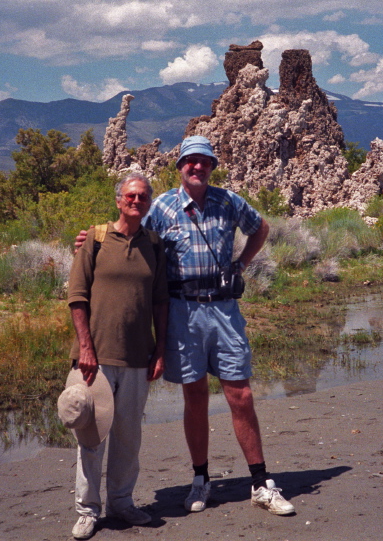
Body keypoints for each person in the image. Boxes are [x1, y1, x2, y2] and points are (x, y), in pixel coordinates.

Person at [79, 136, 294, 516]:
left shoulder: (228, 201)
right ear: (179, 167)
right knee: (194, 397)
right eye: (190, 162)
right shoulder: (161, 206)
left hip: (225, 311)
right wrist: (91, 239)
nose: (197, 167)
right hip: (183, 312)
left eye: (204, 162)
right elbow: (130, 230)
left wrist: (241, 264)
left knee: (240, 395)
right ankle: (201, 479)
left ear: (212, 166)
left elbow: (261, 227)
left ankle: (260, 482)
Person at [65, 172, 169, 540]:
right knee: (92, 436)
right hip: (96, 359)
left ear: (149, 202)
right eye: (130, 196)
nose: (136, 201)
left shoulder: (154, 245)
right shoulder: (94, 239)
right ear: (118, 200)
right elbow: (77, 297)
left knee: (129, 436)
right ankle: (87, 511)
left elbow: (160, 302)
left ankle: (122, 503)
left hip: (138, 358)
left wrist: (160, 349)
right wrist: (87, 348)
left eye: (142, 197)